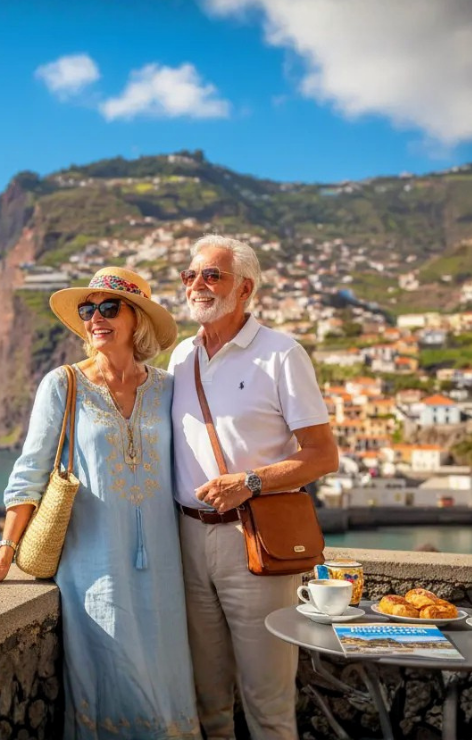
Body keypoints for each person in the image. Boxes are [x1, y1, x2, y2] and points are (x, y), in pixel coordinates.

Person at [0, 267, 200, 740]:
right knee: (113, 683)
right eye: (88, 310)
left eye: (109, 308)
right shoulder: (63, 384)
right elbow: (29, 472)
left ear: (137, 319)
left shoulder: (167, 389)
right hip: (93, 569)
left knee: (167, 685)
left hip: (165, 569)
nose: (95, 318)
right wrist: (5, 554)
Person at [169, 235, 338, 740]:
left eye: (211, 275)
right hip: (186, 538)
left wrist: (251, 482)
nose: (197, 285)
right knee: (207, 700)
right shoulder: (180, 357)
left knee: (268, 702)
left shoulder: (282, 354)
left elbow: (323, 455)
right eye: (191, 275)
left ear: (244, 288)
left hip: (254, 541)